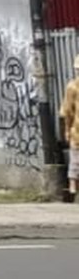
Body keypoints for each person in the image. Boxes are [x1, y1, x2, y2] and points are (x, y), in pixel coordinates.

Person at [60, 54, 79, 203]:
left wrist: (67, 129)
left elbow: (67, 112)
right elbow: (67, 111)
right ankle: (72, 189)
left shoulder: (72, 87)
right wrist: (67, 130)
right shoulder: (72, 87)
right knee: (75, 161)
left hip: (76, 130)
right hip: (77, 131)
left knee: (75, 161)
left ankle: (73, 189)